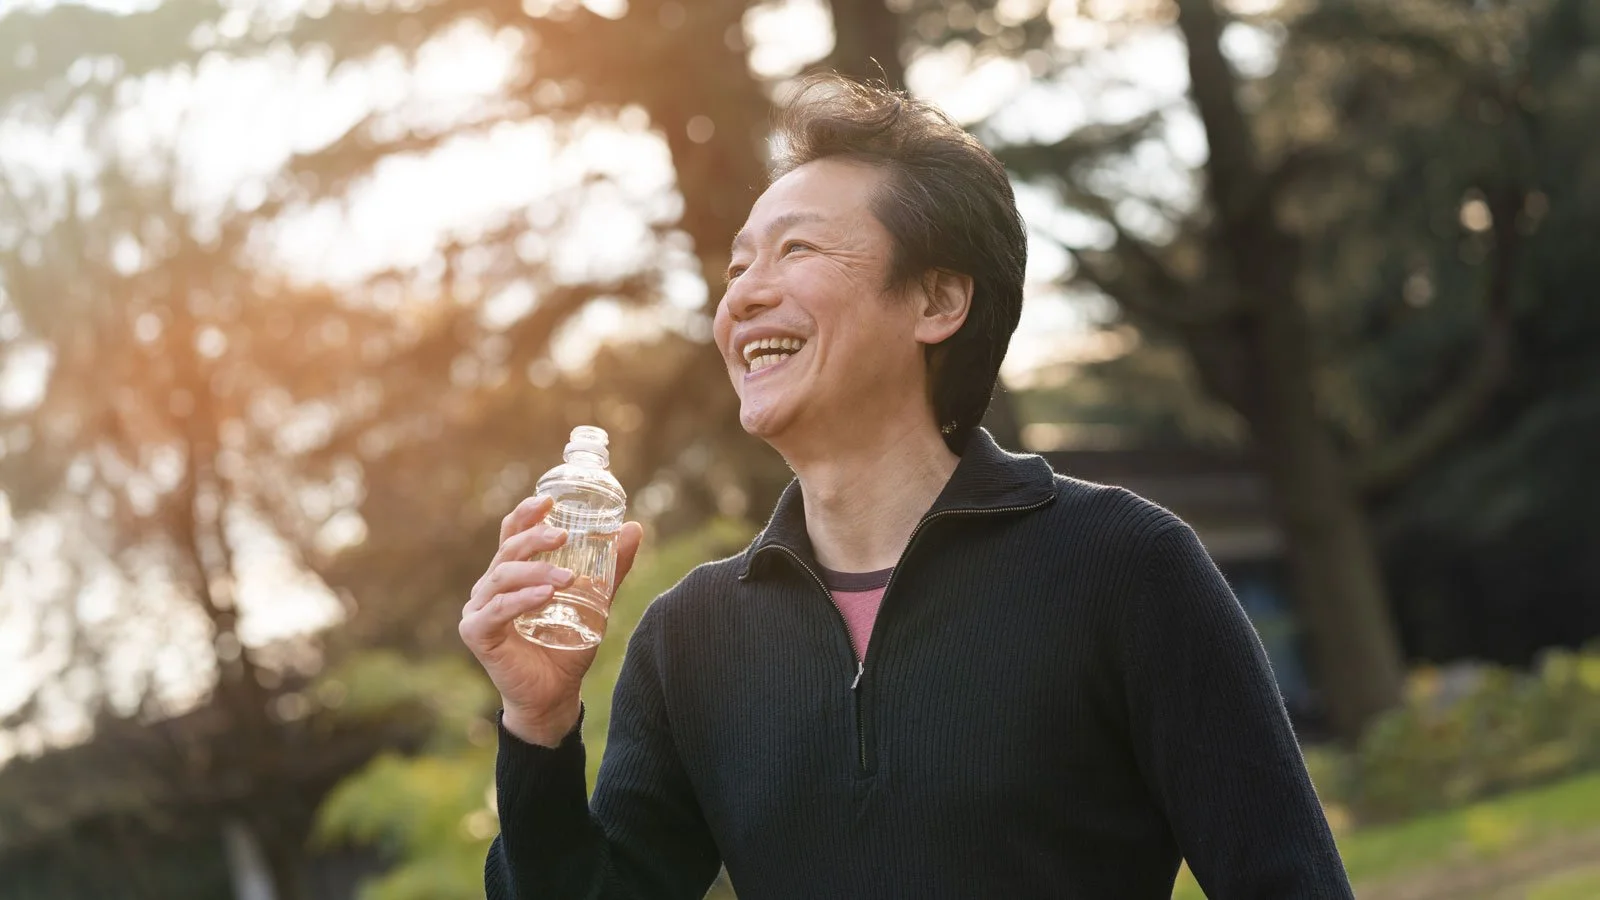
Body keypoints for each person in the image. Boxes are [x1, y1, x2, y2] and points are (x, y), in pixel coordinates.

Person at [460, 74, 1353, 899]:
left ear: (937, 303)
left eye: (795, 250)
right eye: (737, 267)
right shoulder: (687, 638)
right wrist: (537, 723)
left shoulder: (1122, 566)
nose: (743, 296)